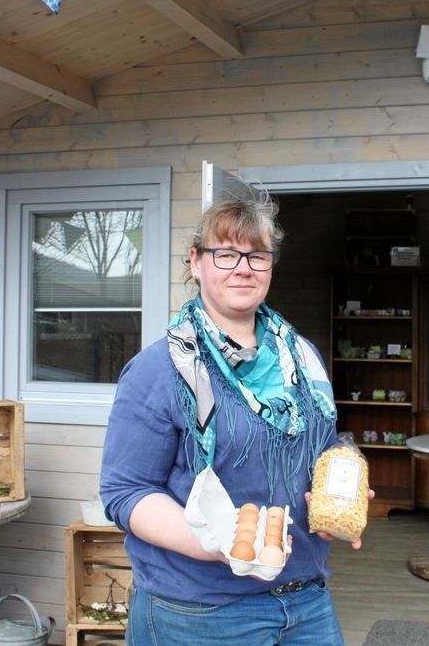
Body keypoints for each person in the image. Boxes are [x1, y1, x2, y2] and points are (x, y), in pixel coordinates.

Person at [99, 192, 367, 645]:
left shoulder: (300, 356)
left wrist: (338, 489)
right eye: (225, 254)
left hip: (306, 599)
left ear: (270, 265)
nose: (243, 267)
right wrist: (215, 543)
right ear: (196, 261)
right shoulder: (160, 368)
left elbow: (320, 444)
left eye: (257, 255)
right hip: (200, 612)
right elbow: (125, 492)